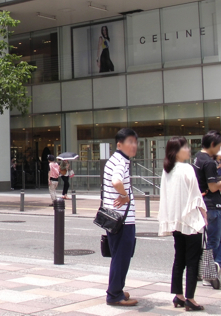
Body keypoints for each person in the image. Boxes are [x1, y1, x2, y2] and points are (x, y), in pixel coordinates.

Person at [158, 136, 207, 312]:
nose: (188, 150)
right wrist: (205, 215)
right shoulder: (187, 168)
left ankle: (178, 295)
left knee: (179, 258)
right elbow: (196, 196)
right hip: (190, 221)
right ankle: (190, 299)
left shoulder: (167, 170)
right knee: (192, 261)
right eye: (185, 147)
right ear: (177, 151)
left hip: (176, 221)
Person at [103, 128, 138, 307]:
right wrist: (125, 196)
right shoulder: (120, 162)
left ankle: (116, 289)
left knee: (118, 256)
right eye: (130, 142)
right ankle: (114, 294)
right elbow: (116, 181)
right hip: (122, 219)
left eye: (135, 142)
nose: (134, 145)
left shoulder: (115, 159)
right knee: (121, 257)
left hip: (113, 218)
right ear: (119, 144)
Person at [192, 130, 221, 289]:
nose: (219, 149)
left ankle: (209, 270)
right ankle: (210, 273)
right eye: (218, 146)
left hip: (203, 204)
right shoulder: (209, 162)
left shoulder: (197, 157)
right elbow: (213, 187)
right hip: (213, 205)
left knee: (211, 239)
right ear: (212, 144)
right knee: (214, 241)